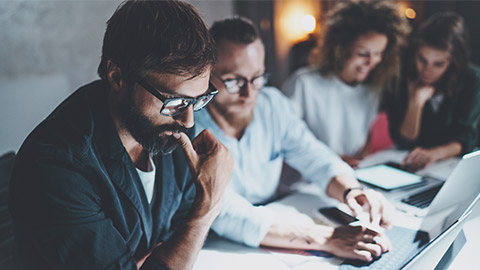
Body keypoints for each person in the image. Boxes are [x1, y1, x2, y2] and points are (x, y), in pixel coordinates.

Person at [8, 1, 233, 269]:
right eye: (174, 101)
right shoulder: (57, 166)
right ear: (117, 77)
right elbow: (184, 234)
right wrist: (206, 209)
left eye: (198, 100)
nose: (188, 119)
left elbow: (176, 237)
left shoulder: (171, 127)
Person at [195, 16, 395, 263]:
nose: (249, 93)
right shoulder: (190, 126)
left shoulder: (273, 104)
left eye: (257, 77)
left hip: (277, 234)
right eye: (234, 81)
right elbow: (226, 212)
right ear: (206, 75)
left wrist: (351, 190)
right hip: (218, 248)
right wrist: (326, 238)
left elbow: (314, 155)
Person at [283, 1, 410, 167]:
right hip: (307, 180)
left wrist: (359, 159)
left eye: (379, 53)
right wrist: (331, 159)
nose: (372, 62)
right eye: (363, 53)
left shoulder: (372, 89)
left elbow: (365, 135)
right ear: (340, 49)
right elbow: (283, 138)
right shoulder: (304, 84)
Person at [385, 12, 480, 171]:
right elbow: (403, 140)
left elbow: (465, 138)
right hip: (408, 162)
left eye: (438, 64)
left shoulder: (472, 80)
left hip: (450, 165)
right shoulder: (402, 75)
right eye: (422, 60)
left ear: (452, 62)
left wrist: (433, 154)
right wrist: (415, 103)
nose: (427, 71)